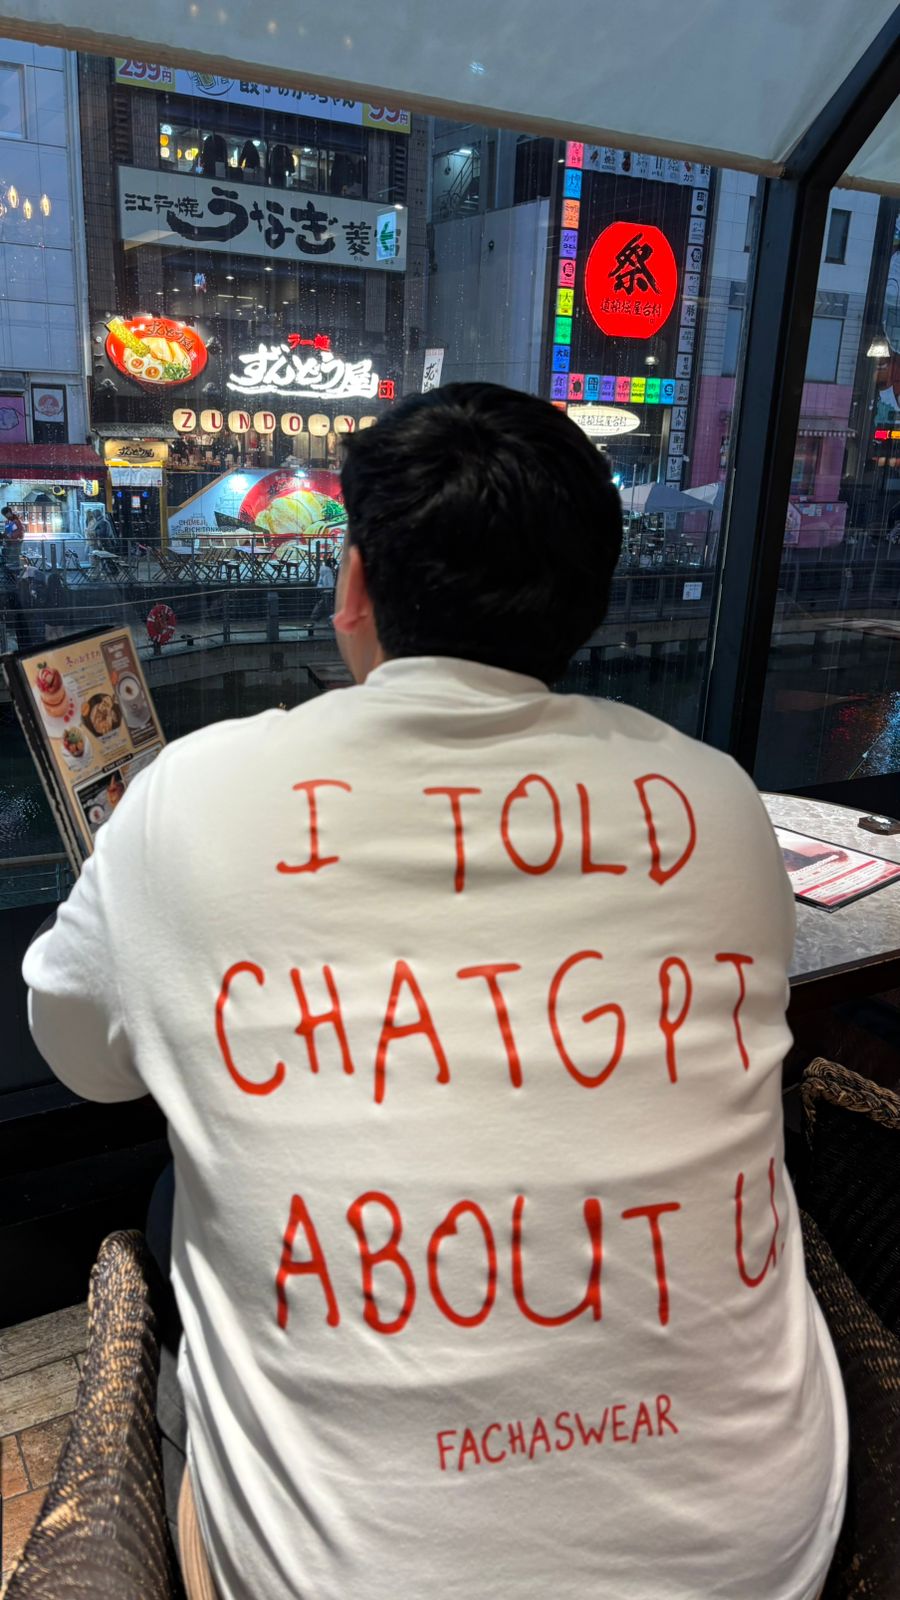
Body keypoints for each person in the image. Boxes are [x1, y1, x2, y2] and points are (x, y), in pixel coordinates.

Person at [24, 384, 846, 1600]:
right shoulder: (714, 800)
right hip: (758, 1555)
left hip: (348, 1577)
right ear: (589, 600)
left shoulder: (190, 797)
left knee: (171, 1207)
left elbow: (79, 1058)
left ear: (355, 583)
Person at [308, 551, 337, 631]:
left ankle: (315, 617)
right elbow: (330, 583)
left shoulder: (323, 570)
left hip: (323, 589)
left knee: (323, 604)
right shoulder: (329, 572)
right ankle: (329, 621)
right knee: (328, 606)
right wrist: (332, 589)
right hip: (328, 590)